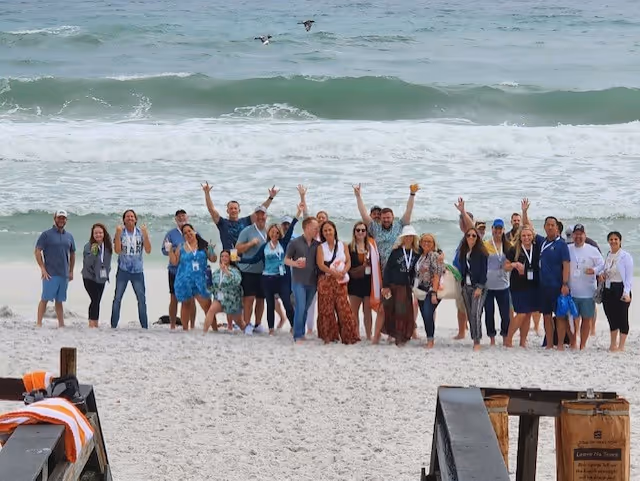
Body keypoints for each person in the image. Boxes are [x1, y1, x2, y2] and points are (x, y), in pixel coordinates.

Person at [354, 183, 418, 344]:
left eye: (389, 217)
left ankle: (400, 333)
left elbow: (408, 211)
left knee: (401, 305)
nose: (386, 220)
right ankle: (377, 336)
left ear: (392, 217)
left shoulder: (399, 225)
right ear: (380, 219)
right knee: (384, 305)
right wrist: (358, 196)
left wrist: (412, 194)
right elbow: (363, 214)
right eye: (384, 218)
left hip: (401, 273)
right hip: (382, 273)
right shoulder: (375, 228)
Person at [239, 205, 302, 334]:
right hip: (267, 278)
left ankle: (294, 325)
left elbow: (291, 228)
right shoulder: (265, 247)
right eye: (272, 232)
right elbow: (254, 259)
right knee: (270, 304)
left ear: (279, 234)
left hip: (283, 278)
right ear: (269, 233)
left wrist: (298, 213)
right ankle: (271, 329)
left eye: (276, 232)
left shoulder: (283, 243)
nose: (274, 234)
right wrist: (239, 260)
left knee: (287, 302)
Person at [522, 199, 571, 350]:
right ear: (544, 227)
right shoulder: (542, 242)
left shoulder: (562, 244)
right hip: (543, 287)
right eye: (547, 225)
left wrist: (564, 284)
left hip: (557, 286)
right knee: (546, 316)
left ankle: (561, 344)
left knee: (561, 317)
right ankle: (549, 343)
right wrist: (524, 212)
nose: (550, 227)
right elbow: (528, 228)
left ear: (557, 228)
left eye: (553, 225)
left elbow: (566, 265)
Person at [316, 221, 360, 344]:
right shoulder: (321, 247)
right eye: (325, 230)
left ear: (334, 230)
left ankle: (349, 336)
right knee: (326, 309)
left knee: (343, 308)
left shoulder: (342, 245)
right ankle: (329, 336)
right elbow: (320, 264)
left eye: (329, 229)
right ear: (322, 233)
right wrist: (333, 273)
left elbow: (349, 262)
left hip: (340, 280)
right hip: (326, 280)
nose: (327, 232)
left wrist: (343, 272)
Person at [202, 182, 279, 250]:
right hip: (228, 258)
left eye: (235, 208)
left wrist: (271, 197)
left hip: (244, 256)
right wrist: (207, 193)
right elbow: (211, 210)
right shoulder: (222, 223)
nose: (233, 210)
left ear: (239, 210)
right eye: (231, 208)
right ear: (227, 211)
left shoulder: (246, 221)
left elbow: (261, 210)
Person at [168, 224, 216, 331]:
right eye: (185, 233)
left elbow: (213, 259)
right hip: (184, 281)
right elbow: (174, 262)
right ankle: (185, 329)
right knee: (186, 305)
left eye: (189, 231)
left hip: (201, 280)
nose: (188, 234)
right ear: (183, 236)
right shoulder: (181, 246)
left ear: (194, 231)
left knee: (208, 306)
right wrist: (170, 250)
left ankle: (215, 329)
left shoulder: (203, 244)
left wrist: (211, 250)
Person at [111, 209, 151, 329]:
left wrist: (146, 235)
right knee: (117, 298)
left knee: (141, 299)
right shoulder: (120, 232)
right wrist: (117, 234)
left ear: (135, 219)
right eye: (127, 216)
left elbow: (148, 250)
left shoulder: (140, 232)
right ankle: (113, 325)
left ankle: (144, 326)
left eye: (132, 216)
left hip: (137, 271)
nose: (130, 218)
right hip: (123, 270)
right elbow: (117, 250)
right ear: (124, 219)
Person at [35, 210, 76, 328]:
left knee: (59, 300)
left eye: (63, 218)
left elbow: (72, 254)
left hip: (64, 274)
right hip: (50, 273)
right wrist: (42, 268)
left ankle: (61, 324)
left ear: (66, 220)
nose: (61, 220)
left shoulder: (69, 236)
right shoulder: (46, 235)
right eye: (59, 218)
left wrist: (71, 271)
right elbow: (37, 251)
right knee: (45, 299)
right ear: (55, 219)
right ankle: (38, 323)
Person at [381, 225, 420, 346]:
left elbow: (433, 249)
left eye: (410, 236)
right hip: (394, 285)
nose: (408, 238)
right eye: (406, 236)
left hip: (407, 286)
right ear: (403, 238)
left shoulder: (417, 252)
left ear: (413, 238)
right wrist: (385, 286)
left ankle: (403, 335)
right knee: (393, 311)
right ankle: (395, 335)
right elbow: (387, 269)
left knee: (405, 312)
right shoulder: (396, 252)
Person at [567, 224, 604, 349]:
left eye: (580, 234)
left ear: (585, 235)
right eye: (576, 234)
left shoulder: (592, 249)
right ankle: (573, 343)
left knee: (587, 319)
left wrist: (594, 270)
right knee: (571, 320)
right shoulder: (568, 248)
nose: (578, 236)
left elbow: (602, 264)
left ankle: (582, 345)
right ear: (573, 235)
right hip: (572, 291)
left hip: (588, 292)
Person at [285, 216, 320, 343]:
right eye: (315, 228)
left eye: (317, 228)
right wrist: (295, 264)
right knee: (300, 307)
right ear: (306, 227)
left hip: (312, 282)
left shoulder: (318, 245)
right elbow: (286, 260)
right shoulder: (295, 242)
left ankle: (301, 332)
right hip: (298, 281)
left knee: (305, 308)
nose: (317, 230)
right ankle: (297, 335)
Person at [235, 206, 269, 332]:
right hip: (248, 270)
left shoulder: (270, 230)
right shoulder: (247, 231)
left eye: (263, 215)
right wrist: (250, 244)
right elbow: (237, 249)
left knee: (261, 299)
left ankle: (258, 324)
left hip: (265, 271)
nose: (260, 217)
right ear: (254, 216)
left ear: (266, 216)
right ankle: (247, 324)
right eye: (258, 215)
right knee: (248, 299)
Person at [505, 225, 540, 347]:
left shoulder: (537, 249)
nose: (526, 238)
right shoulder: (514, 250)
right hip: (518, 286)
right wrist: (514, 265)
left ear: (533, 236)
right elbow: (505, 266)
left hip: (533, 285)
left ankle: (522, 342)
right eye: (524, 235)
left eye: (529, 235)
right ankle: (508, 339)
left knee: (528, 313)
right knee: (521, 313)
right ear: (520, 237)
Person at [347, 221, 382, 341]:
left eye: (363, 230)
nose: (361, 232)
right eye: (358, 230)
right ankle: (356, 334)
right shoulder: (349, 247)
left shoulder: (372, 247)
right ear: (354, 232)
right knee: (354, 312)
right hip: (354, 284)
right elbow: (348, 267)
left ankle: (368, 335)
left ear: (366, 232)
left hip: (368, 284)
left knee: (367, 312)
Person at [600, 231, 633, 351]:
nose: (613, 241)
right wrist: (600, 274)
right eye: (611, 239)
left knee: (622, 317)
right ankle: (613, 344)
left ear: (620, 241)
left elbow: (629, 277)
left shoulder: (625, 256)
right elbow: (605, 269)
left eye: (616, 239)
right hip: (608, 289)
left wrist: (626, 293)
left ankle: (621, 346)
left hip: (621, 288)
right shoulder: (609, 255)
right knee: (611, 317)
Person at [458, 227, 489, 351]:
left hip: (478, 287)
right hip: (466, 287)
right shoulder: (463, 252)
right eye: (468, 235)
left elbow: (484, 272)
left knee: (476, 313)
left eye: (474, 236)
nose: (471, 238)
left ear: (477, 238)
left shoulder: (482, 252)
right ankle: (474, 337)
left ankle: (477, 341)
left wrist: (480, 287)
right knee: (470, 315)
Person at [204, 250, 248, 334]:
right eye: (222, 256)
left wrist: (227, 272)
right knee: (211, 310)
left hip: (232, 301)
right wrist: (207, 283)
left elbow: (237, 281)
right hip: (220, 299)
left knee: (240, 323)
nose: (224, 258)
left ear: (230, 258)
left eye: (226, 256)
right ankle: (204, 332)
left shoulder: (234, 270)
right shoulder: (216, 272)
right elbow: (212, 288)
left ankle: (246, 330)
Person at [483, 219, 512, 346]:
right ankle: (492, 338)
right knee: (489, 313)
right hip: (488, 286)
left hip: (503, 285)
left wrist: (509, 266)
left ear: (503, 230)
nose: (498, 231)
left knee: (505, 315)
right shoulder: (485, 245)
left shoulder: (508, 245)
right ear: (492, 229)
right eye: (496, 228)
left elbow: (512, 263)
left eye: (500, 229)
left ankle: (505, 336)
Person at [414, 233, 443, 348]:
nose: (426, 243)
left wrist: (434, 293)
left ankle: (430, 341)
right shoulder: (420, 256)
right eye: (424, 241)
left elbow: (437, 275)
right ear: (420, 243)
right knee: (425, 315)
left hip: (432, 290)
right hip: (421, 290)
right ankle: (429, 339)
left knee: (427, 313)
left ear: (433, 244)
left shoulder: (433, 256)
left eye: (429, 242)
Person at [81, 223, 113, 328]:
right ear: (92, 234)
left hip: (102, 278)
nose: (98, 235)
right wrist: (93, 254)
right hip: (89, 277)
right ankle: (91, 323)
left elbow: (107, 261)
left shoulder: (107, 246)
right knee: (94, 299)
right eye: (96, 233)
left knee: (97, 300)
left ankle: (95, 322)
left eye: (100, 233)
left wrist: (107, 272)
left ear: (104, 234)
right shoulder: (88, 246)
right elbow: (87, 263)